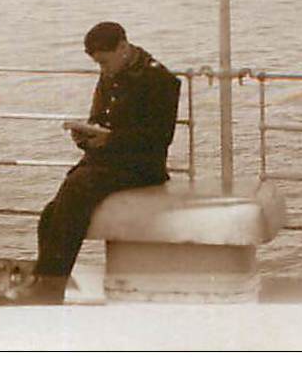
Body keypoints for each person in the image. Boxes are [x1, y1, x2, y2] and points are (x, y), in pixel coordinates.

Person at [11, 21, 181, 303]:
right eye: (98, 64)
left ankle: (49, 288)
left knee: (77, 186)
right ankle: (47, 282)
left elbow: (160, 138)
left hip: (141, 167)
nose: (102, 69)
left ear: (123, 48)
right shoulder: (113, 71)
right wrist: (86, 136)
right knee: (50, 215)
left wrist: (110, 140)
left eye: (104, 61)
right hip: (108, 162)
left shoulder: (158, 80)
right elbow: (99, 118)